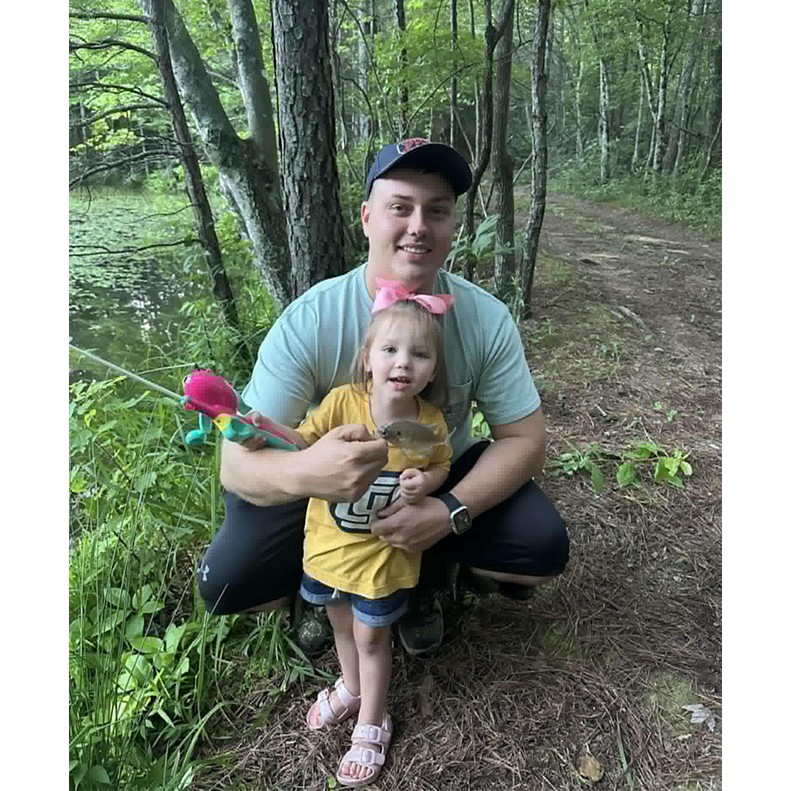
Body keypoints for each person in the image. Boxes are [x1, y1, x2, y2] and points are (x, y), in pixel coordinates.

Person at [197, 137, 570, 663]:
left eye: (436, 211)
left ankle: (429, 578)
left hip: (432, 477)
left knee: (541, 550)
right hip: (328, 493)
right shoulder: (312, 318)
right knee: (231, 585)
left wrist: (448, 511)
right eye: (401, 207)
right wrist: (308, 473)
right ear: (368, 217)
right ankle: (323, 584)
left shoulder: (485, 318)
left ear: (452, 227)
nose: (419, 225)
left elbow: (526, 440)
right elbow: (235, 465)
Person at [244, 291, 453, 786]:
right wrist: (265, 428)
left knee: (372, 636)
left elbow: (441, 462)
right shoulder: (341, 403)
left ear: (432, 371)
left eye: (419, 355)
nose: (403, 363)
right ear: (367, 359)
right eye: (390, 350)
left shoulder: (429, 423)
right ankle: (353, 687)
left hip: (384, 558)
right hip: (330, 549)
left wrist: (427, 483)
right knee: (341, 625)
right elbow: (303, 441)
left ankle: (371, 719)